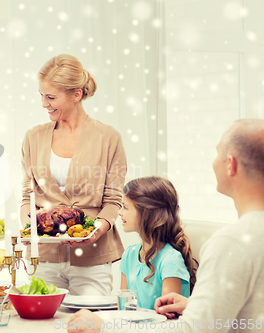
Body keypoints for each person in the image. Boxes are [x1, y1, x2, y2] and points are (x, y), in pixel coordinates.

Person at [67, 119, 264, 333]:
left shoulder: (232, 243)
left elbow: (192, 330)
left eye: (217, 153)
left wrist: (102, 328)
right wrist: (194, 306)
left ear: (230, 164)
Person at [20, 54, 127, 296]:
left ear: (76, 94)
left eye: (51, 97)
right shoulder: (33, 137)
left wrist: (97, 229)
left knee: (88, 325)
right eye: (42, 95)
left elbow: (112, 200)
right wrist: (30, 228)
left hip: (92, 257)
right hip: (44, 258)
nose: (44, 104)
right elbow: (27, 197)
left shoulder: (108, 137)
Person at [119, 176, 197, 310]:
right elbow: (123, 310)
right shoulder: (129, 255)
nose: (120, 213)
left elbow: (165, 318)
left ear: (147, 212)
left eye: (125, 207)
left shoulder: (170, 260)